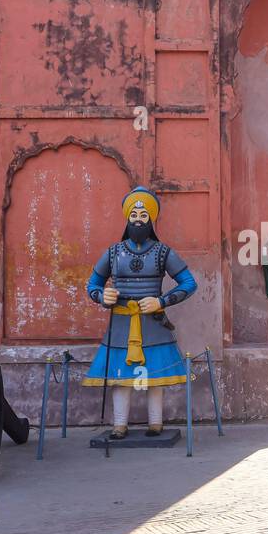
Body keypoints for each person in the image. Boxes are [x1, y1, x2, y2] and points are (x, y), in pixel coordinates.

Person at [82, 186, 196, 438]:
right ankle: (119, 425)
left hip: (153, 323)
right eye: (133, 214)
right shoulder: (113, 253)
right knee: (121, 376)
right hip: (121, 325)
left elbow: (189, 283)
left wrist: (162, 301)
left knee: (155, 374)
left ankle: (156, 423)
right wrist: (103, 296)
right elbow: (93, 284)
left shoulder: (163, 252)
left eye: (143, 216)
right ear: (127, 217)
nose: (137, 219)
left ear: (151, 219)